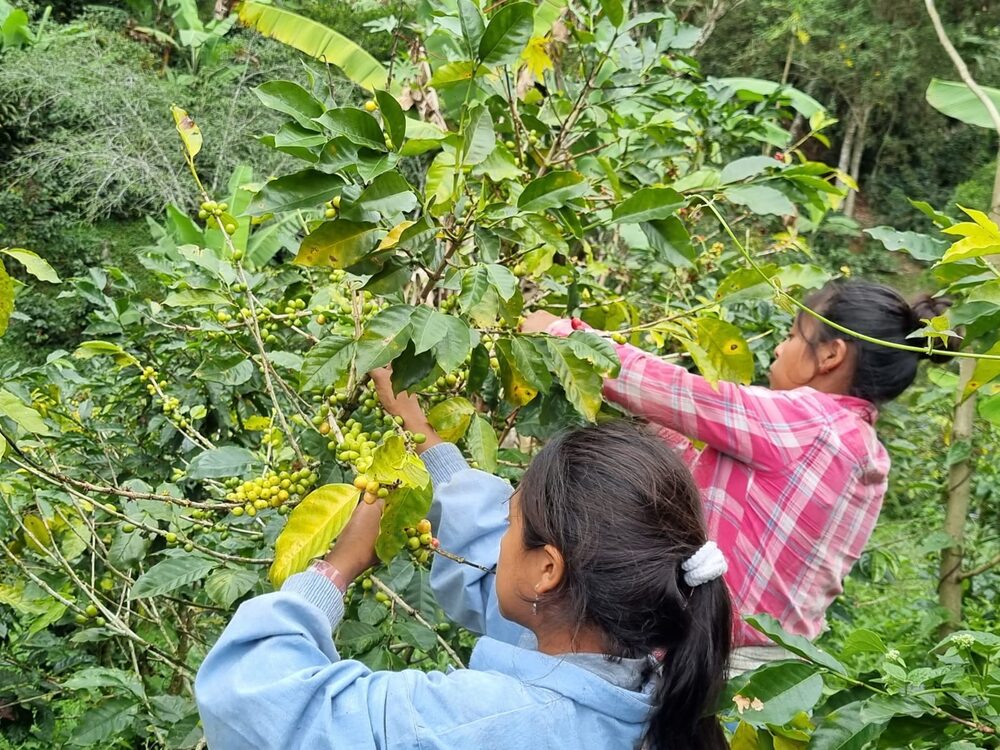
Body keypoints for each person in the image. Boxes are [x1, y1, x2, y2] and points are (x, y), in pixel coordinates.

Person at [194, 371, 734, 750]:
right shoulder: (648, 690)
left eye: (511, 515)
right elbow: (493, 573)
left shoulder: (463, 728)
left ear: (548, 569)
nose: (499, 533)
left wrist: (333, 571)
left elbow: (254, 705)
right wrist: (426, 443)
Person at [521, 279, 956, 672]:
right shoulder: (864, 453)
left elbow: (677, 394)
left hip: (719, 663)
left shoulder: (809, 423)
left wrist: (563, 336)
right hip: (781, 669)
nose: (780, 350)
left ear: (830, 354)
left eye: (791, 336)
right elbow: (709, 465)